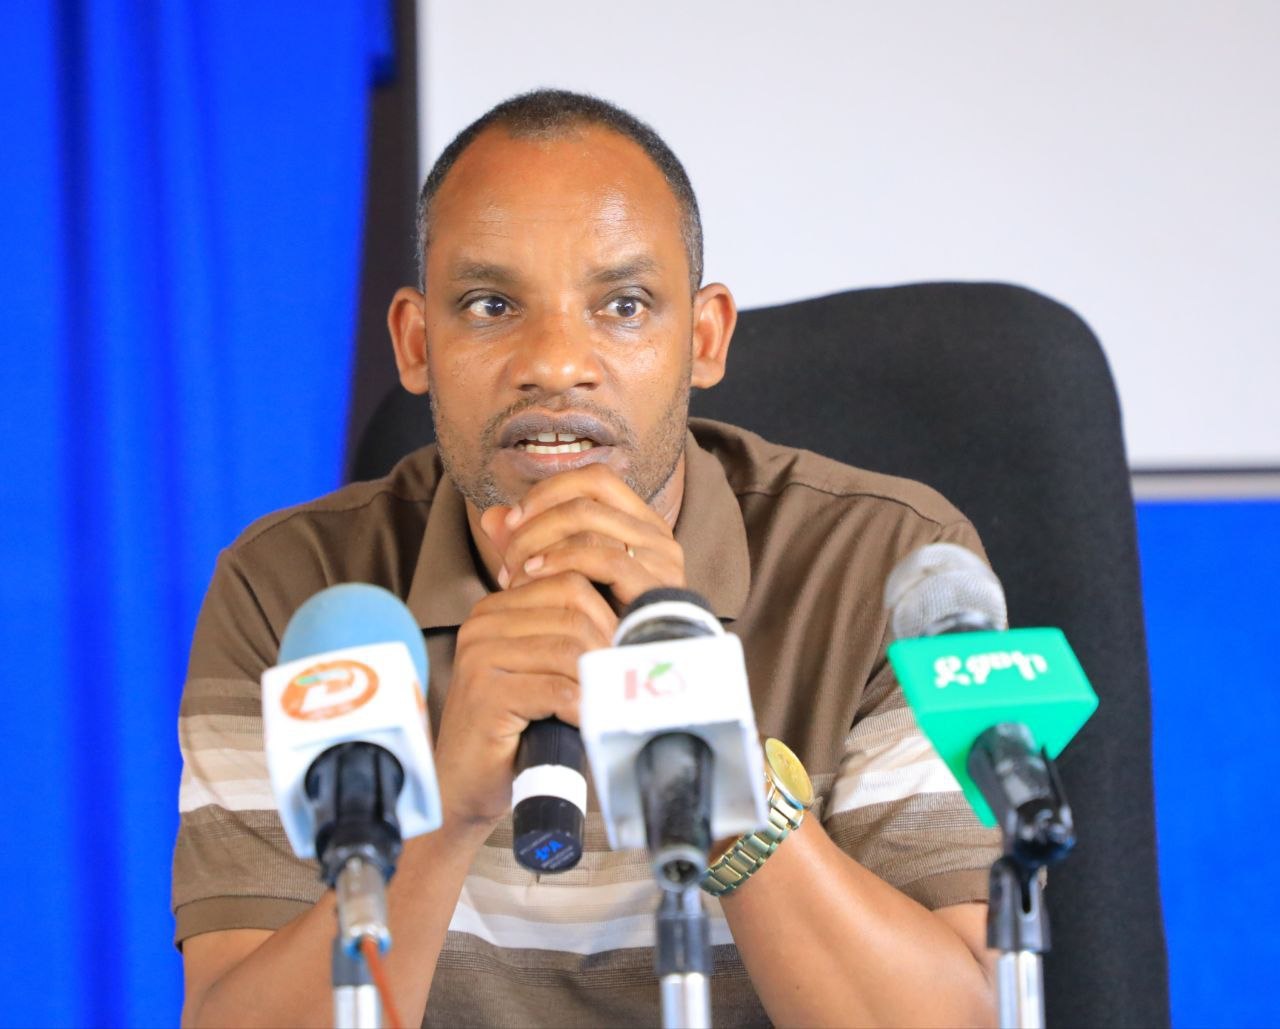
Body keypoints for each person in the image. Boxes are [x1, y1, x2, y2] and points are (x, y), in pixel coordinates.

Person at [174, 89, 1000, 1027]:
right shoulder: (294, 592)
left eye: (623, 305)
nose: (556, 362)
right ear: (415, 343)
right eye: (490, 304)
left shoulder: (897, 567)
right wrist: (446, 812)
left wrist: (715, 759)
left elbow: (965, 1018)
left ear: (703, 339)